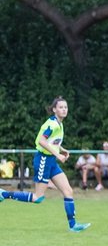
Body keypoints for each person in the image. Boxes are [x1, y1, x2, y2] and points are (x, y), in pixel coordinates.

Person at [0, 97, 91, 232]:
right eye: (61, 107)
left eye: (65, 107)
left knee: (68, 191)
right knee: (38, 198)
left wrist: (62, 149)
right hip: (43, 159)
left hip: (51, 161)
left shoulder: (59, 124)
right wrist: (57, 154)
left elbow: (52, 142)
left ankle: (73, 226)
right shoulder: (52, 124)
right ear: (54, 109)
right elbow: (42, 141)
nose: (64, 109)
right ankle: (4, 194)